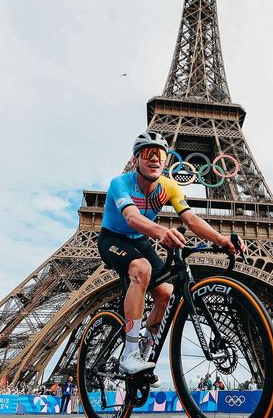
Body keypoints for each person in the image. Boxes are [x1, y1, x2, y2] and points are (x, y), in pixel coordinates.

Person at [98, 131, 245, 376]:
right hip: (113, 238)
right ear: (136, 160)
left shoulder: (169, 187)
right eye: (147, 154)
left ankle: (144, 355)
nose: (154, 159)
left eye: (160, 154)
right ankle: (129, 353)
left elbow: (190, 219)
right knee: (141, 269)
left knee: (166, 293)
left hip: (140, 240)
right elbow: (132, 218)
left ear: (167, 160)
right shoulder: (120, 183)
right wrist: (160, 232)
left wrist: (221, 239)